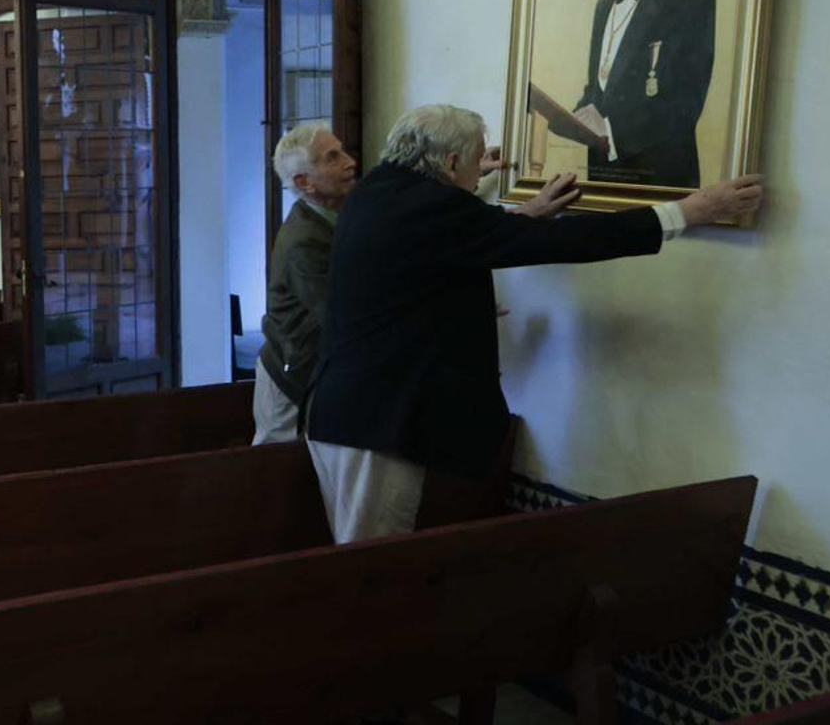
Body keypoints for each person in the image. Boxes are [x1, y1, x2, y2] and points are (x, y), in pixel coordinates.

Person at [304, 104, 763, 544]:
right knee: (373, 570)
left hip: (354, 412)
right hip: (377, 424)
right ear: (448, 162)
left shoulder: (381, 189)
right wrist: (686, 211)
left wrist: (524, 214)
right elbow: (558, 241)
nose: (480, 169)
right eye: (476, 159)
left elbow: (447, 241)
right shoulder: (427, 206)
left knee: (374, 564)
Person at [570, 0, 716, 189]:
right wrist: (574, 118)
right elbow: (599, 90)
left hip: (661, 184)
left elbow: (685, 104)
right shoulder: (603, 6)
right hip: (605, 181)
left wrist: (610, 130)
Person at [252, 121, 357, 445]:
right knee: (275, 474)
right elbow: (341, 314)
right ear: (304, 182)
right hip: (291, 373)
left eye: (342, 151)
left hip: (315, 368)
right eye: (332, 157)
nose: (350, 161)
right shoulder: (305, 241)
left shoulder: (341, 213)